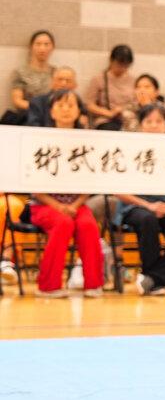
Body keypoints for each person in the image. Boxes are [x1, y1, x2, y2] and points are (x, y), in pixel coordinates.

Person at [25, 89, 104, 298]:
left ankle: (94, 284)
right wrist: (58, 206)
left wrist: (75, 205)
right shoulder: (39, 141)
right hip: (45, 205)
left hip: (77, 203)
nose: (66, 110)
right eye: (60, 105)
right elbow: (33, 184)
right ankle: (48, 286)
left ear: (79, 112)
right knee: (63, 224)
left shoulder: (87, 143)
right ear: (51, 112)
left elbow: (91, 181)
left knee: (87, 225)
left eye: (71, 105)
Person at [114, 103, 165, 295]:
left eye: (159, 121)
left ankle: (153, 278)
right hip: (135, 205)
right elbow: (118, 191)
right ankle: (155, 278)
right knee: (147, 219)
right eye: (148, 121)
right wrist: (148, 205)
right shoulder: (127, 150)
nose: (154, 125)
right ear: (141, 125)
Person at [6, 29, 56, 122]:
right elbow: (17, 101)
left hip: (52, 119)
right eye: (38, 44)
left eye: (46, 44)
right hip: (28, 118)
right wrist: (40, 109)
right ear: (31, 47)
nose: (42, 48)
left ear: (52, 47)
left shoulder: (56, 72)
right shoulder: (21, 72)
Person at [83, 44, 135, 130]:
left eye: (126, 66)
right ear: (111, 61)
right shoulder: (99, 79)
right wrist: (108, 113)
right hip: (106, 120)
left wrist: (124, 110)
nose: (122, 69)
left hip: (128, 119)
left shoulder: (133, 80)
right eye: (119, 64)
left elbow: (135, 103)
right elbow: (89, 104)